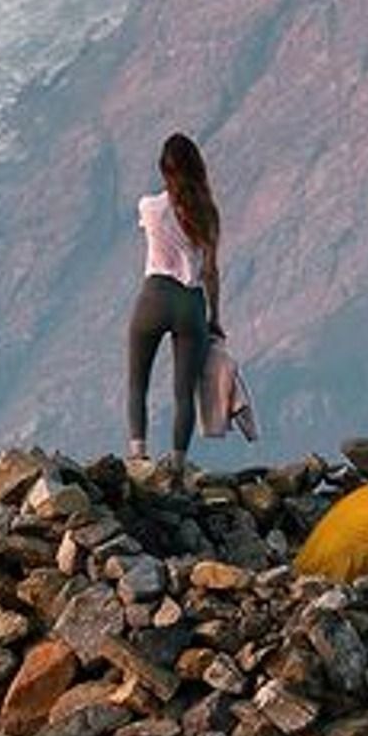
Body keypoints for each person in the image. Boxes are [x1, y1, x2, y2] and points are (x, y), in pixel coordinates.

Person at [125, 130, 221, 476]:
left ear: (164, 169)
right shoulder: (208, 213)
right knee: (184, 393)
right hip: (191, 303)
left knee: (138, 382)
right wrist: (215, 316)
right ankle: (178, 466)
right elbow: (210, 271)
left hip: (155, 295)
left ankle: (138, 458)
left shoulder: (149, 207)